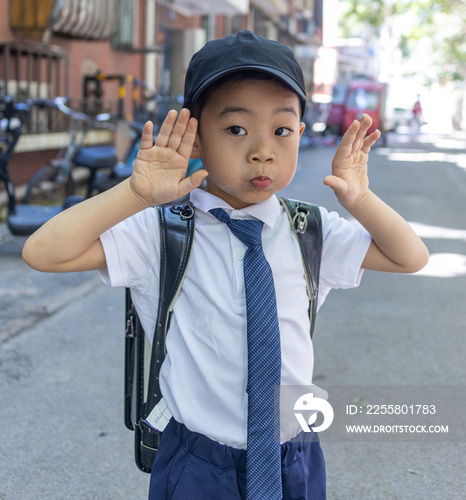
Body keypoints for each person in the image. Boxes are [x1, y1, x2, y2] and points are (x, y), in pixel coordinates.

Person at [22, 30, 429, 500]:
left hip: (292, 456)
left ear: (300, 134)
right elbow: (43, 252)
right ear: (194, 138)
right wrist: (133, 195)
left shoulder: (310, 231)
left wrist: (360, 199)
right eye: (236, 129)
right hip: (199, 463)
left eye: (281, 130)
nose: (262, 150)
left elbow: (410, 256)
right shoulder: (162, 233)